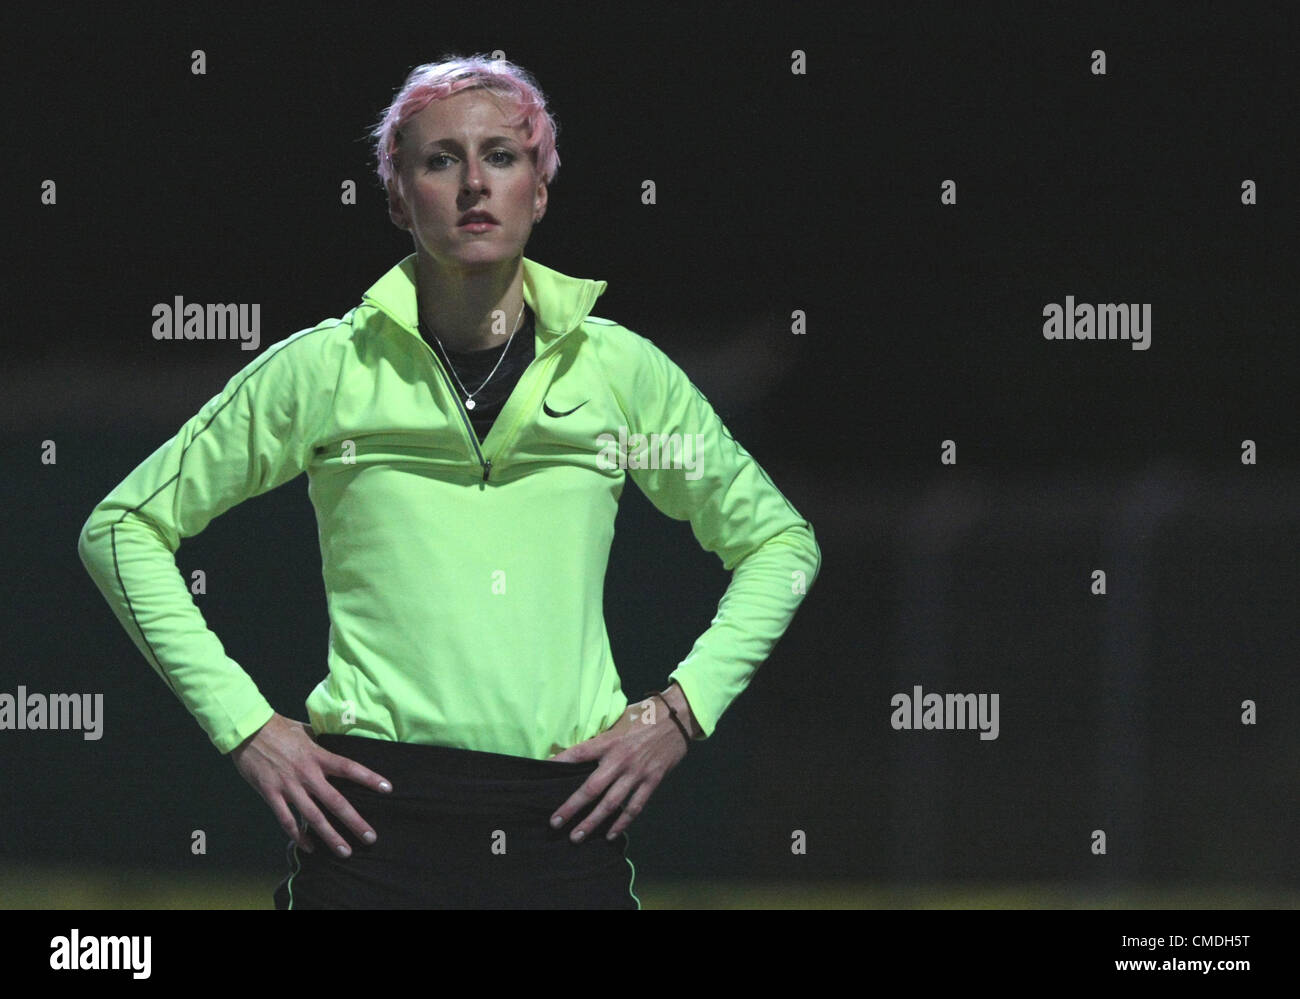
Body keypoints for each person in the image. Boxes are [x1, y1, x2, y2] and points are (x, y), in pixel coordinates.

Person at [77, 53, 821, 909]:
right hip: (368, 831)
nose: (475, 183)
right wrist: (247, 727)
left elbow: (779, 541)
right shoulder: (327, 369)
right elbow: (121, 526)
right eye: (440, 159)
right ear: (397, 196)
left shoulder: (621, 373)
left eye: (502, 156)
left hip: (564, 827)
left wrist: (680, 712)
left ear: (539, 189)